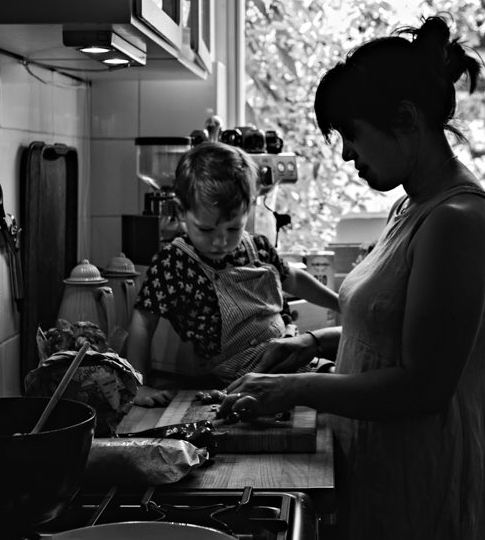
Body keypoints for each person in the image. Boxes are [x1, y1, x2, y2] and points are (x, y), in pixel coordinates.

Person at [218, 15, 485, 539]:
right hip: (386, 472)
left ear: (405, 118)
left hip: (427, 486)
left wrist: (294, 388)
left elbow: (422, 387)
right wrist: (314, 341)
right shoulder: (413, 206)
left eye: (352, 135)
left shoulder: (455, 223)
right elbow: (393, 330)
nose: (348, 153)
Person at [126, 141, 340, 406]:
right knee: (329, 383)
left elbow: (293, 279)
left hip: (287, 350)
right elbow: (143, 321)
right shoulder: (175, 262)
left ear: (247, 211)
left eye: (233, 229)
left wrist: (340, 303)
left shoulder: (257, 247)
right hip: (239, 378)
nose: (220, 242)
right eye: (206, 230)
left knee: (336, 375)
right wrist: (137, 385)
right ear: (182, 211)